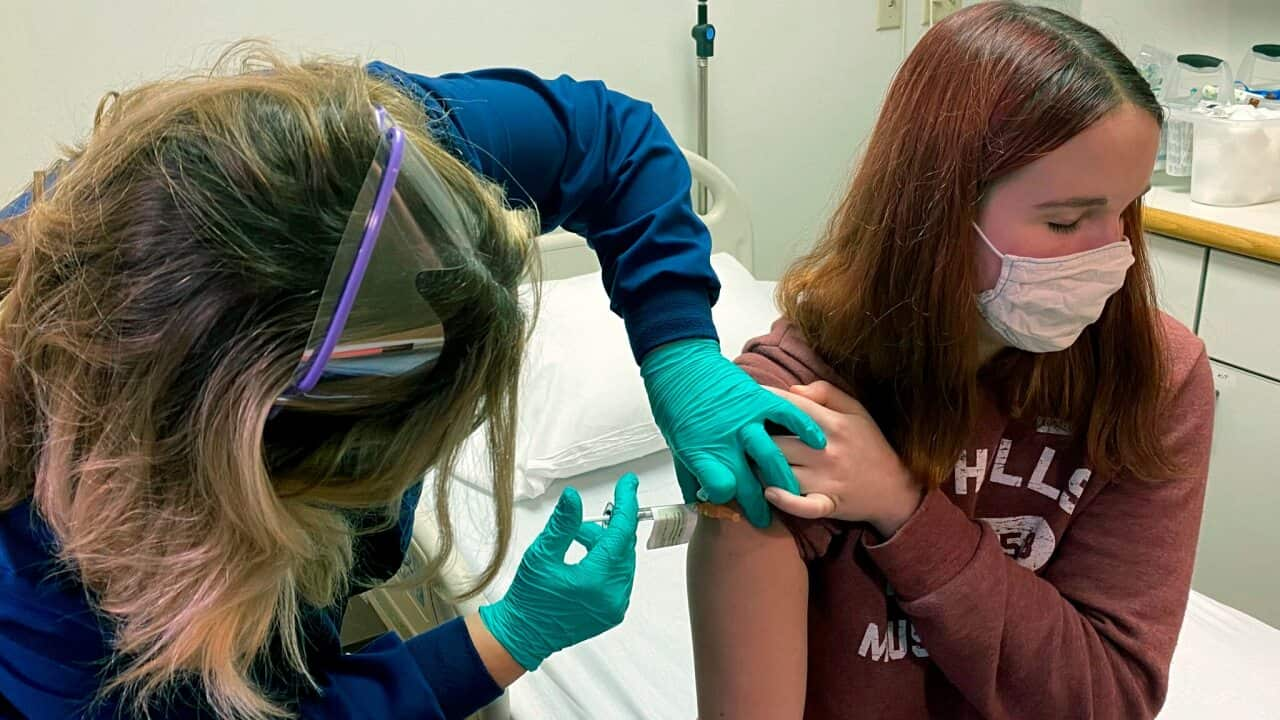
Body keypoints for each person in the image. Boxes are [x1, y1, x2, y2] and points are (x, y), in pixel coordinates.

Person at [0, 46, 817, 719]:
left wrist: (678, 346)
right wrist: (504, 638)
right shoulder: (52, 610)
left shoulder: (360, 177)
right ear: (259, 482)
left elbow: (613, 142)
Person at [687, 4, 1215, 719]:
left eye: (1126, 210)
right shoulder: (791, 406)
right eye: (1065, 221)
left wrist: (904, 510)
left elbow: (1111, 699)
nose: (1111, 256)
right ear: (936, 209)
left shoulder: (1157, 375)